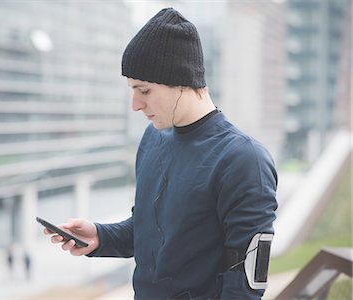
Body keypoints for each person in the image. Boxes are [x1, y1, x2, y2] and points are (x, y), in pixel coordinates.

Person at [43, 7, 278, 299]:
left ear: (181, 81)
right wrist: (100, 236)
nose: (135, 104)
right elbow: (147, 229)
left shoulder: (244, 159)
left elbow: (246, 282)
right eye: (132, 90)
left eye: (144, 90)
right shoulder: (153, 139)